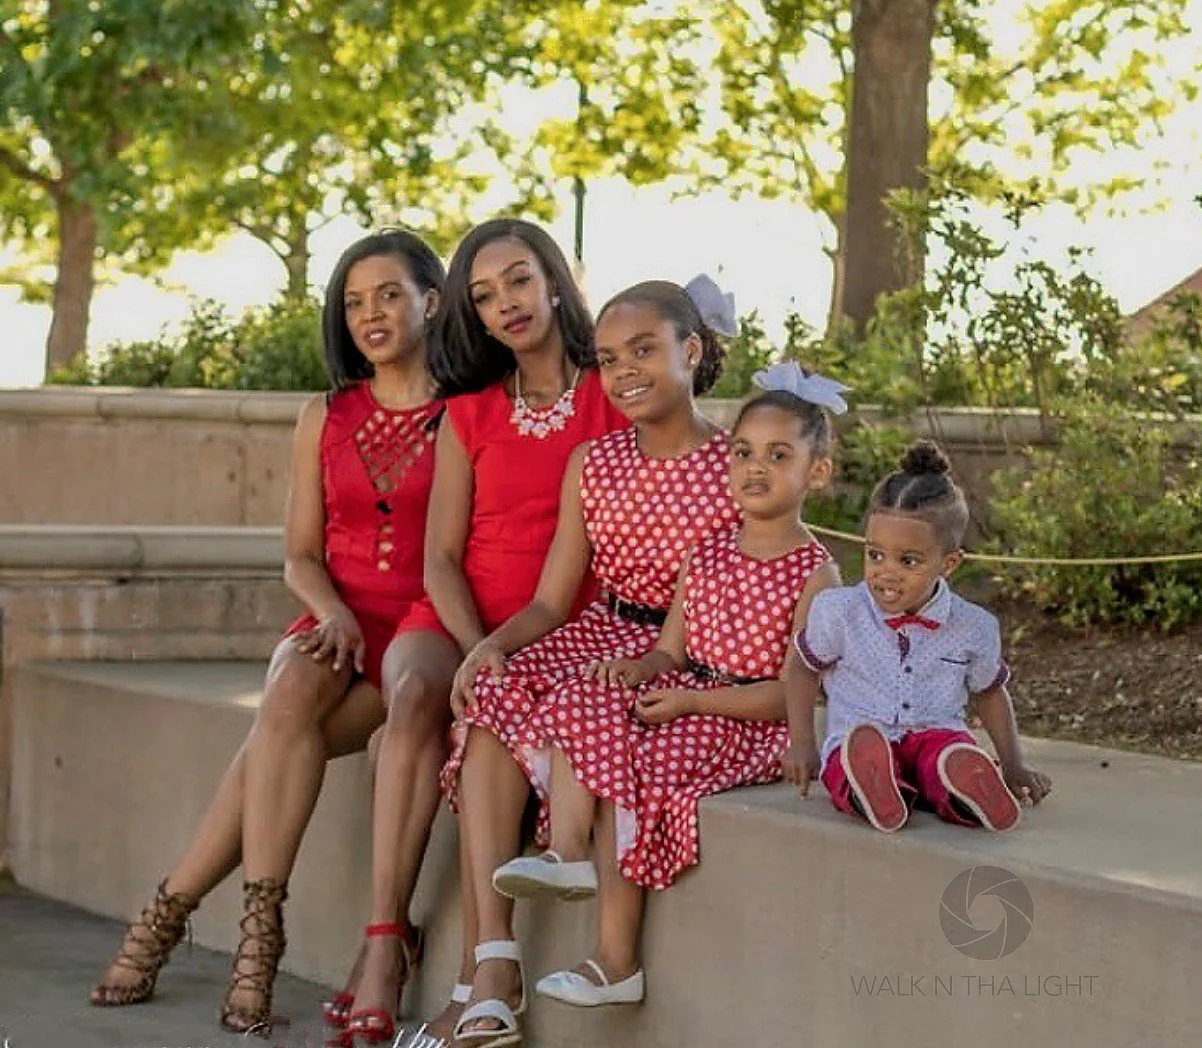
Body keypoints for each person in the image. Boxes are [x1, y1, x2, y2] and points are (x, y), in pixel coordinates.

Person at [88, 229, 447, 1036]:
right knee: (290, 687)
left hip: (423, 638)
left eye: (389, 294)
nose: (370, 315)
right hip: (336, 620)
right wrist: (331, 612)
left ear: (432, 300)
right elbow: (298, 553)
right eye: (354, 302)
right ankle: (260, 937)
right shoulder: (324, 414)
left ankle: (167, 915)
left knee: (275, 740)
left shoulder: (464, 416)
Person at [422, 277, 741, 1048]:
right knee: (495, 695)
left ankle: (549, 895)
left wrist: (665, 661)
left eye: (645, 350)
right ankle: (494, 961)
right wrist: (491, 646)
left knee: (580, 696)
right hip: (601, 627)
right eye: (607, 358)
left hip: (683, 647)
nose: (625, 370)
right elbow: (551, 602)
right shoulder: (593, 463)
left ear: (691, 351)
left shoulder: (735, 465)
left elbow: (743, 590)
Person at [333, 218, 628, 1045]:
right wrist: (476, 649)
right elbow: (440, 559)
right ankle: (385, 936)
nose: (506, 305)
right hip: (462, 617)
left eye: (519, 281)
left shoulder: (615, 395)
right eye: (484, 295)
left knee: (483, 711)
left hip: (568, 623)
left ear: (554, 281)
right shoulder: (466, 415)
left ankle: (481, 976)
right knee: (421, 688)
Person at [506, 362, 843, 1008]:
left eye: (779, 455)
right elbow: (670, 650)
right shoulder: (710, 552)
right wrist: (636, 672)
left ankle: (615, 959)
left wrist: (690, 700)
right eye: (743, 452)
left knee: (641, 764)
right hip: (693, 699)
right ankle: (567, 850)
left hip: (751, 722)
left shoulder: (815, 574)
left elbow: (790, 693)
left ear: (816, 473)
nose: (754, 467)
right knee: (584, 695)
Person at [784, 440, 1053, 835]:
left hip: (935, 733)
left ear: (949, 564)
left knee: (944, 756)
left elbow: (990, 693)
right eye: (875, 555)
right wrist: (803, 742)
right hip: (861, 732)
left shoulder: (974, 627)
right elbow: (802, 671)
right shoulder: (839, 610)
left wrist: (1013, 764)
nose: (886, 572)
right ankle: (873, 785)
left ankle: (967, 787)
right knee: (848, 759)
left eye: (908, 561)